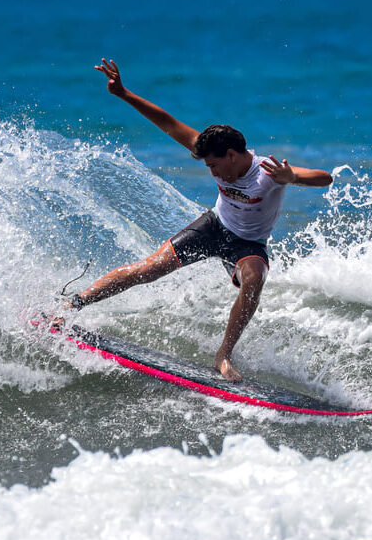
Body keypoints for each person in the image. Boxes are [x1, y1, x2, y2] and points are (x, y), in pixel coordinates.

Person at [59, 58, 333, 381]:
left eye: (214, 166)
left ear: (231, 155)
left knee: (255, 277)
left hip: (248, 244)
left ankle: (223, 355)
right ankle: (73, 304)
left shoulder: (269, 174)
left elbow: (324, 178)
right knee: (149, 269)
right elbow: (168, 123)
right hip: (214, 226)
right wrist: (122, 93)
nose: (212, 173)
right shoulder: (212, 149)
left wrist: (292, 178)